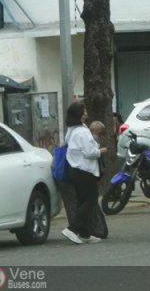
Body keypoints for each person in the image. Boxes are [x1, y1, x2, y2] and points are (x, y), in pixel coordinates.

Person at [61, 101, 108, 244]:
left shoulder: (72, 129)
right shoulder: (82, 131)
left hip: (75, 169)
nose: (87, 113)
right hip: (84, 170)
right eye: (84, 111)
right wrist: (101, 151)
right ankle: (72, 228)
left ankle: (85, 233)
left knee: (82, 200)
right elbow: (90, 152)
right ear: (79, 115)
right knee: (91, 199)